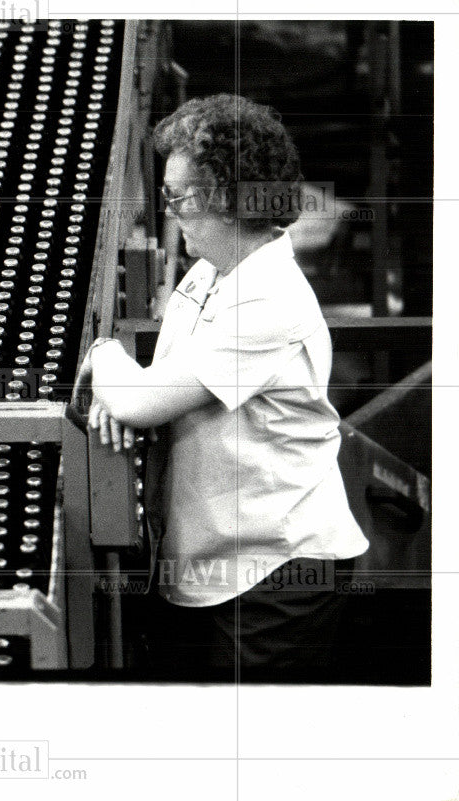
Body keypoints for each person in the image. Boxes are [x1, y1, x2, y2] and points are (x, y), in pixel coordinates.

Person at [75, 94, 369, 682]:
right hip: (211, 563)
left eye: (180, 197)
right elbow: (154, 389)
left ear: (231, 200)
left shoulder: (271, 298)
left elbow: (141, 399)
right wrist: (127, 397)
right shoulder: (209, 274)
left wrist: (104, 358)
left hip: (276, 572)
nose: (173, 211)